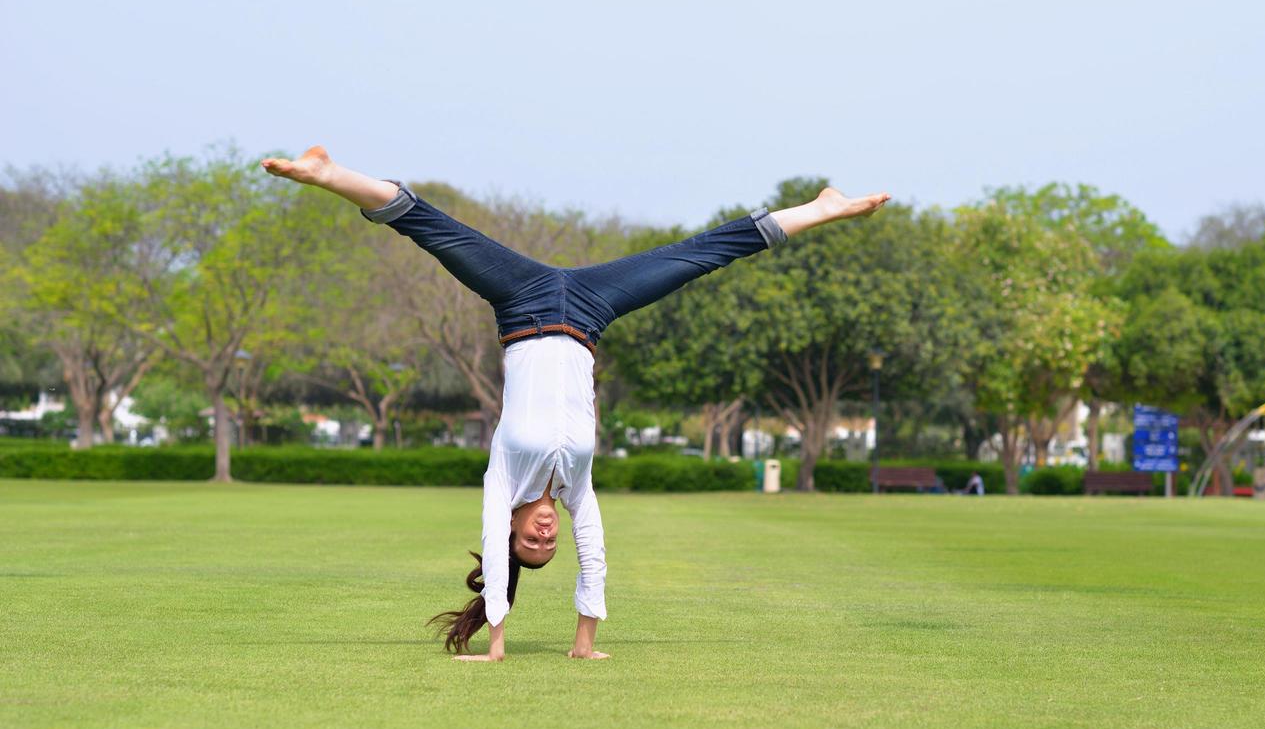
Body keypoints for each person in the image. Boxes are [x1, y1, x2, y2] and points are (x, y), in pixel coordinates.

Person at [261, 146, 889, 661]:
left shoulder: (502, 479)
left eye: (531, 545)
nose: (545, 535)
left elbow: (495, 541)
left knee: (431, 227)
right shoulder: (578, 490)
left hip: (525, 302)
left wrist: (497, 644)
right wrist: (583, 645)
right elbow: (597, 560)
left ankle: (326, 174)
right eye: (548, 547)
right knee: (701, 255)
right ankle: (820, 209)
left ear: (511, 535)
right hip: (589, 311)